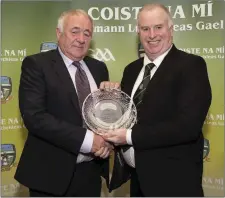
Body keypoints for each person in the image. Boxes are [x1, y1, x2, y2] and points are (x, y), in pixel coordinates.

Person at [104, 3, 212, 197]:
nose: (152, 34)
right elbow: (129, 116)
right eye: (145, 29)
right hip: (137, 180)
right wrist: (108, 98)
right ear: (138, 32)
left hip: (174, 183)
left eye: (158, 27)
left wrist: (128, 137)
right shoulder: (131, 70)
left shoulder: (191, 66)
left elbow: (187, 127)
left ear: (171, 30)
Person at [14, 9, 119, 197]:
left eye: (87, 33)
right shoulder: (37, 65)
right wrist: (89, 141)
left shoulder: (98, 68)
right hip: (50, 176)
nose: (81, 38)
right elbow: (35, 117)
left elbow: (103, 118)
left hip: (91, 174)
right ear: (58, 33)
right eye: (75, 31)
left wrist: (108, 142)